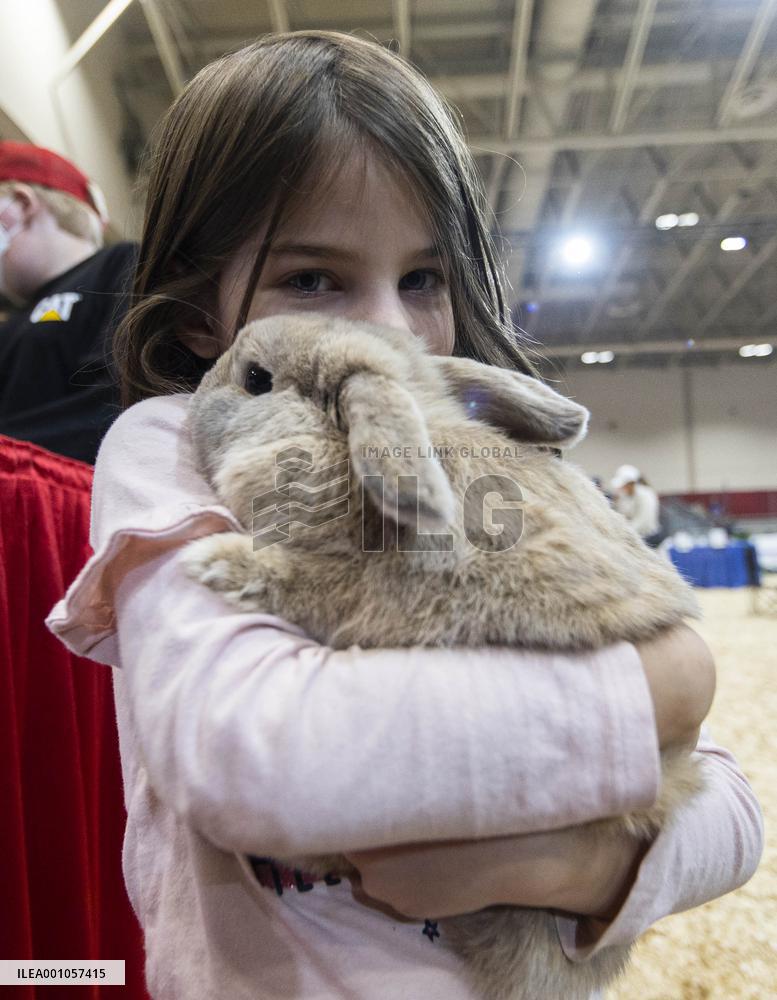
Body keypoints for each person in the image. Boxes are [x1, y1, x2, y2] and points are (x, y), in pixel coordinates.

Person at [45, 33, 762, 1000]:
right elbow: (249, 756)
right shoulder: (176, 450)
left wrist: (565, 870)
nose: (390, 330)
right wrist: (656, 688)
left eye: (422, 280)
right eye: (313, 279)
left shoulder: (484, 456)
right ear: (200, 316)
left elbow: (732, 814)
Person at [0, 141, 137, 464]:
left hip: (85, 488)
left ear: (20, 204)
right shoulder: (12, 325)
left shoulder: (120, 265)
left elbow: (120, 399)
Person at [611, 464, 663, 546]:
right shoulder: (624, 496)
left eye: (624, 485)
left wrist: (623, 533)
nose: (622, 488)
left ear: (631, 483)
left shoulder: (645, 494)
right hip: (633, 536)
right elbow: (622, 515)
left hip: (649, 539)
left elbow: (643, 521)